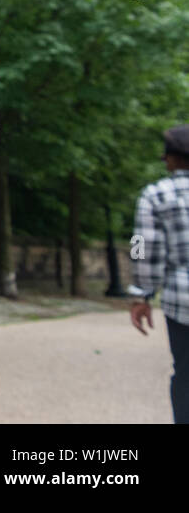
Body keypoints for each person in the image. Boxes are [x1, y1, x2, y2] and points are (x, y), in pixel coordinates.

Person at [129, 124, 189, 424]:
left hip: (183, 302)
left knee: (186, 374)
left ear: (174, 159)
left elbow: (145, 249)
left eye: (165, 156)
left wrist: (141, 294)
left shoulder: (155, 195)